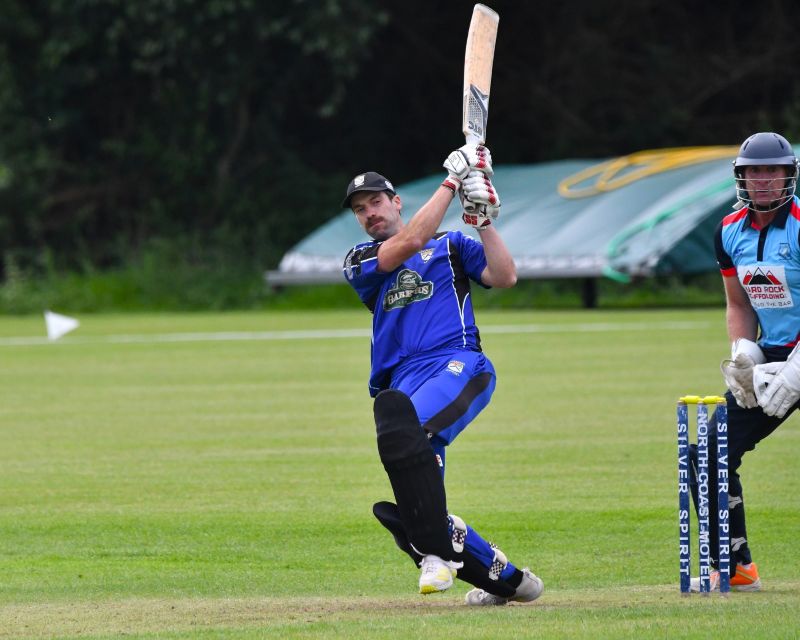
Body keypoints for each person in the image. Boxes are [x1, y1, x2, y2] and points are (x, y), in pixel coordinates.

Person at [341, 143, 543, 606]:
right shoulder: (360, 260)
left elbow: (505, 276)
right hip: (403, 383)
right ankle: (510, 582)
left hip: (457, 363)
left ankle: (433, 550)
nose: (369, 213)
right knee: (417, 476)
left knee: (413, 439)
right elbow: (410, 242)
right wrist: (452, 182)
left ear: (396, 202)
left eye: (376, 202)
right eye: (360, 209)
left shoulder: (451, 245)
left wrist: (482, 222)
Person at [690, 131, 800, 592]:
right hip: (772, 357)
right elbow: (738, 303)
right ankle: (735, 565)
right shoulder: (729, 231)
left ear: (789, 175)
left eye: (773, 170)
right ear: (742, 176)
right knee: (707, 454)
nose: (763, 179)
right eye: (755, 171)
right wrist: (743, 353)